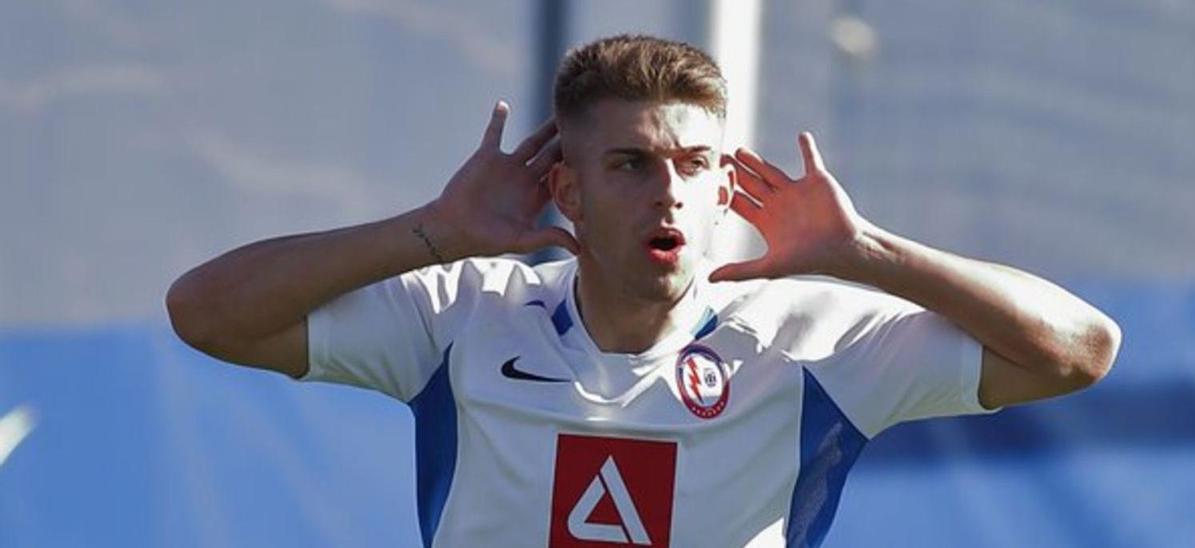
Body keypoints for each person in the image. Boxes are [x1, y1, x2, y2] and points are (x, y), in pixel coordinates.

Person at [166, 34, 1120, 548]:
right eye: (630, 164)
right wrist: (431, 233)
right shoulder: (461, 310)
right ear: (567, 188)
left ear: (721, 187)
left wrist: (870, 254)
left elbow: (1080, 350)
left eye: (693, 164)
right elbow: (205, 312)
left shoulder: (814, 339)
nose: (668, 189)